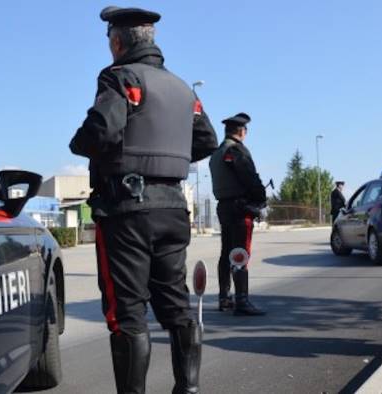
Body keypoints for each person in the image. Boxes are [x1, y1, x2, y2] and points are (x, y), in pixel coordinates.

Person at [69, 6, 218, 393]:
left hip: (127, 213)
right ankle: (188, 389)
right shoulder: (184, 88)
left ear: (117, 42)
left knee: (127, 315)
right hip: (172, 209)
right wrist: (169, 162)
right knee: (177, 307)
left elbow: (100, 131)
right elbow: (207, 140)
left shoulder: (120, 77)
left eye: (109, 42)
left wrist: (81, 145)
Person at [209, 113, 266, 316]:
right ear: (242, 131)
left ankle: (224, 298)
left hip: (223, 207)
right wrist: (261, 198)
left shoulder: (216, 153)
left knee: (226, 253)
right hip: (240, 208)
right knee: (241, 252)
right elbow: (250, 177)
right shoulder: (237, 150)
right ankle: (242, 300)